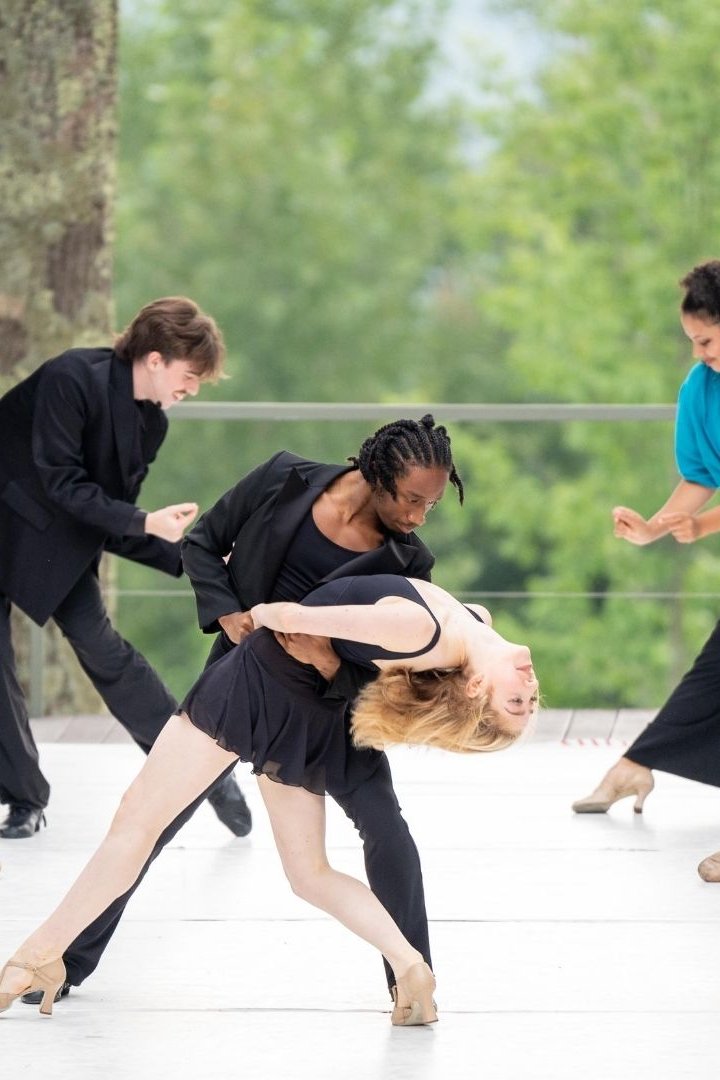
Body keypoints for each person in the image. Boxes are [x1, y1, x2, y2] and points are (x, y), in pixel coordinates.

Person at [21, 416, 461, 1008]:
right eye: (411, 499)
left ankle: (412, 981)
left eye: (430, 505)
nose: (418, 516)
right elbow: (202, 543)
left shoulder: (408, 562)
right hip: (240, 680)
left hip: (329, 712)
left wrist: (332, 664)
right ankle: (66, 960)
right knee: (153, 820)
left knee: (386, 830)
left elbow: (397, 667)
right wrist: (228, 613)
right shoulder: (283, 478)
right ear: (377, 474)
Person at [0, 572, 539, 1023]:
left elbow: (291, 618)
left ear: (474, 688)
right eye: (530, 701)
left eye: (516, 701)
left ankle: (35, 957)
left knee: (136, 822)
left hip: (258, 683)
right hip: (305, 711)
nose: (530, 687)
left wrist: (256, 607)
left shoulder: (424, 629)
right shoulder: (476, 621)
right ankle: (409, 963)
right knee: (309, 874)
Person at [0, 297, 248, 841]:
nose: (193, 390)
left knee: (102, 647)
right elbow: (62, 481)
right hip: (11, 513)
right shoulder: (72, 376)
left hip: (53, 539)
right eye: (190, 376)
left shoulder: (150, 424)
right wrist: (145, 522)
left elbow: (108, 518)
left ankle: (197, 771)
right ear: (155, 359)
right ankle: (23, 798)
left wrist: (193, 557)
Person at [571, 260, 720, 879]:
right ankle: (637, 763)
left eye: (706, 339)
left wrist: (703, 527)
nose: (699, 353)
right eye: (692, 342)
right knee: (712, 676)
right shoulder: (700, 388)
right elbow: (700, 477)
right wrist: (656, 526)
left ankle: (635, 764)